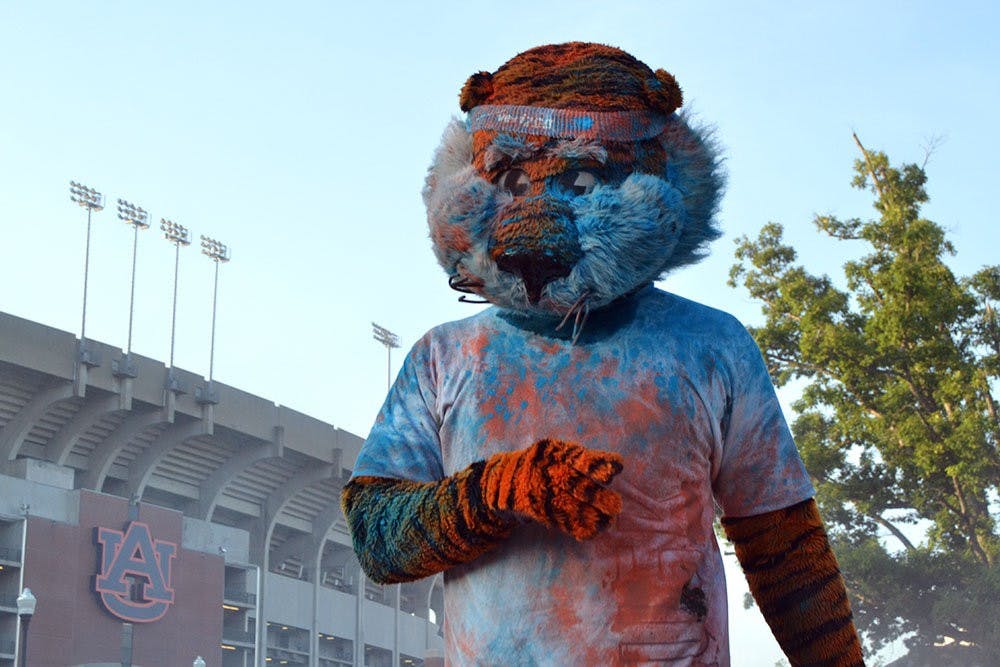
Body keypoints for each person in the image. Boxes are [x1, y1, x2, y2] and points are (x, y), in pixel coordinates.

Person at [342, 42, 865, 666]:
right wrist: (499, 490)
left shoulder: (712, 347)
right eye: (510, 180)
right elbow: (377, 538)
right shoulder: (444, 357)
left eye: (584, 179)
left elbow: (784, 550)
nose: (532, 219)